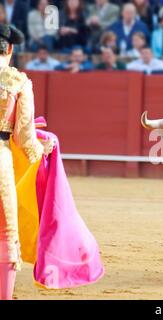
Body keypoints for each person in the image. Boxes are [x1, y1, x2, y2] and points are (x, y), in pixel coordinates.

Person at [0, 23, 54, 300]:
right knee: (5, 230)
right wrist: (40, 150)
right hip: (0, 159)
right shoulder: (17, 81)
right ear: (10, 49)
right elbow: (23, 134)